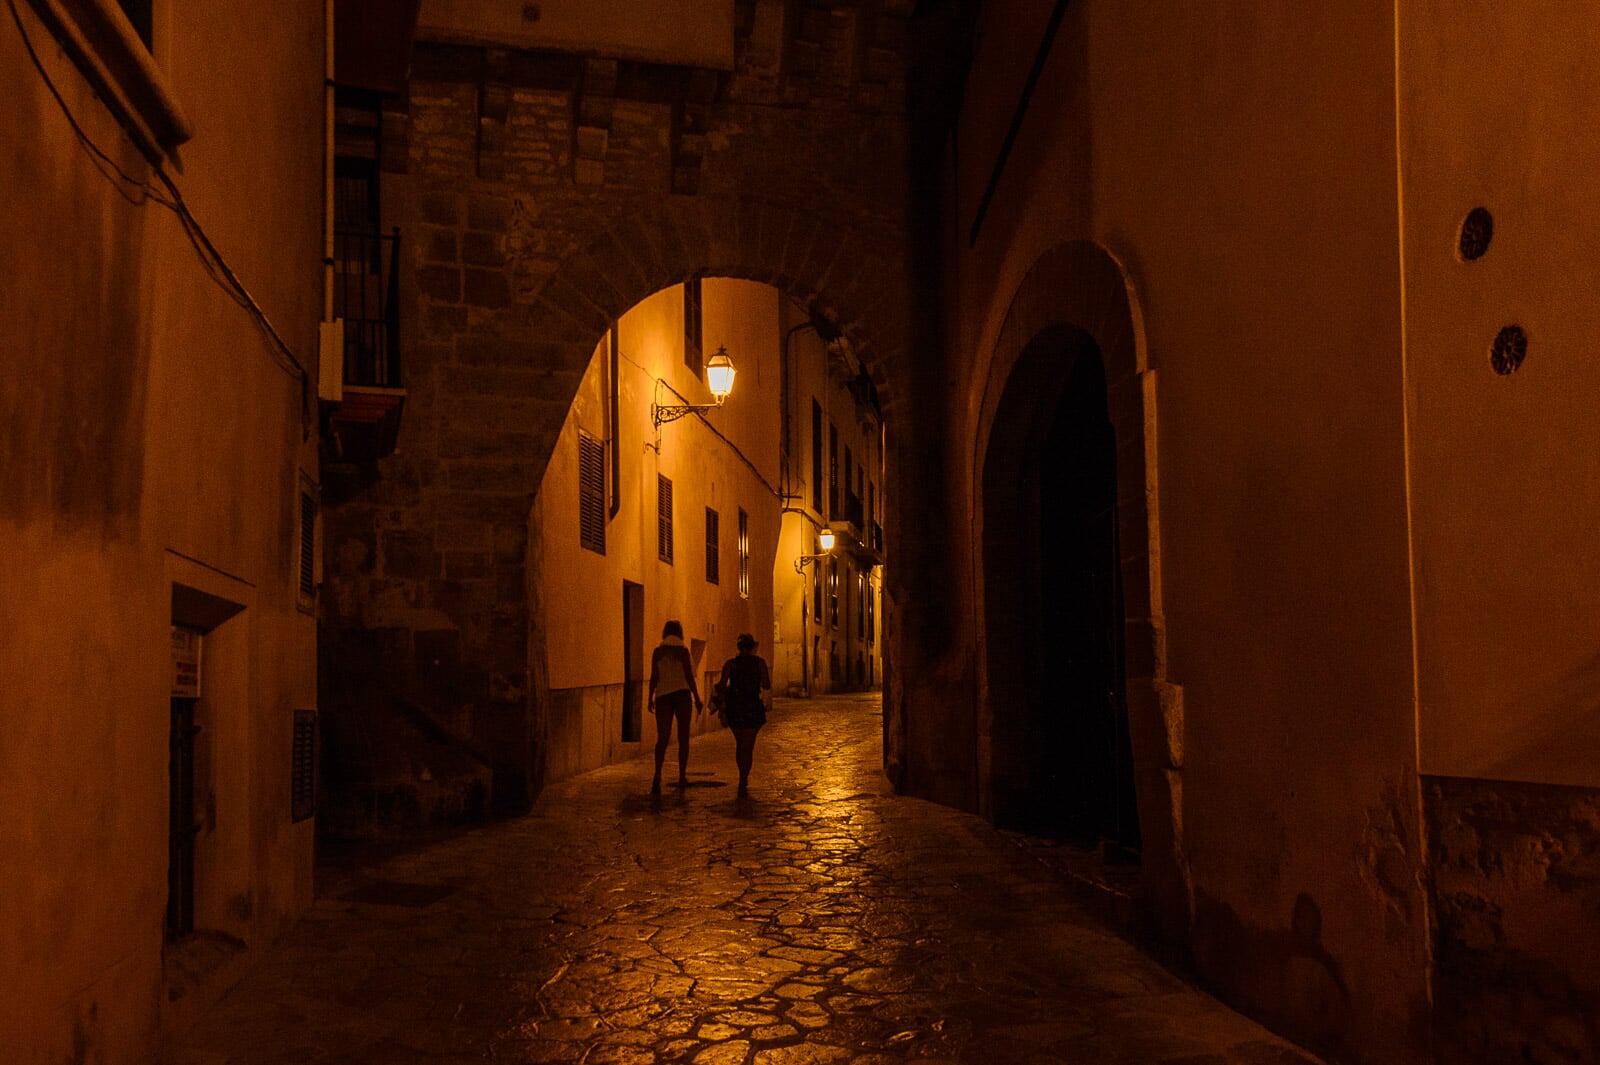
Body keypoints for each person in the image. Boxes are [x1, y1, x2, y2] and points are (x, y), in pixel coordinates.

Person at [648, 620, 702, 793]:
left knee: (662, 738)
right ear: (680, 633)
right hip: (682, 696)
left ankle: (657, 774)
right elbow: (689, 677)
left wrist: (650, 697)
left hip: (663, 696)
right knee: (683, 738)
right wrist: (697, 698)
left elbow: (654, 676)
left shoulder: (658, 652)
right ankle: (681, 775)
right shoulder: (683, 652)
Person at [717, 633, 771, 797]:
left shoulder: (730, 664)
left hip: (735, 708)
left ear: (738, 647)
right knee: (748, 747)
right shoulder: (760, 663)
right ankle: (743, 778)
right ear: (753, 647)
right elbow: (766, 685)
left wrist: (722, 708)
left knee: (740, 744)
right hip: (752, 708)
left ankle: (742, 776)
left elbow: (721, 686)